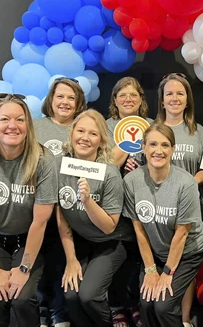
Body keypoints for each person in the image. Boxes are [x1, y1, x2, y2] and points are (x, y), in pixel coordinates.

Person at [0, 94, 58, 327]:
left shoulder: (43, 160)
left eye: (20, 119)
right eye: (5, 119)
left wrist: (24, 268)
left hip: (30, 237)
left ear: (28, 125)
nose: (13, 126)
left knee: (23, 298)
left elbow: (40, 223)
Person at [123, 123, 203, 327]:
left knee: (164, 305)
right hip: (156, 252)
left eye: (165, 145)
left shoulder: (186, 183)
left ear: (173, 149)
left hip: (188, 251)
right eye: (153, 144)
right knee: (145, 303)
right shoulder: (132, 181)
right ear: (143, 147)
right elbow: (139, 229)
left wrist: (167, 273)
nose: (158, 151)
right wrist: (151, 270)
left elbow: (182, 234)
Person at [56, 109, 135, 327]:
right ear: (71, 134)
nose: (85, 138)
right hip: (81, 242)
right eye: (80, 131)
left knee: (88, 295)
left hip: (110, 242)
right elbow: (61, 217)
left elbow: (109, 227)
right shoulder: (59, 166)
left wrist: (88, 201)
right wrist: (71, 260)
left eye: (93, 134)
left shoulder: (109, 173)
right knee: (71, 295)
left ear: (101, 140)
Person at [34, 77, 87, 327]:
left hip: (69, 209)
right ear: (51, 100)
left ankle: (59, 312)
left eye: (71, 98)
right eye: (60, 96)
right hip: (37, 207)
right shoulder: (35, 127)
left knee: (61, 261)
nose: (65, 102)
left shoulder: (83, 128)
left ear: (78, 103)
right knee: (39, 261)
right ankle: (41, 311)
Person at [156, 73, 203, 326]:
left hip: (189, 210)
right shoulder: (151, 129)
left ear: (187, 100)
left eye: (180, 93)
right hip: (156, 211)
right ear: (162, 101)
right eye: (169, 94)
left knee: (185, 264)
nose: (174, 98)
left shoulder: (199, 132)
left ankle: (185, 320)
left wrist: (186, 185)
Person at [106, 77, 152, 327]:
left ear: (141, 99)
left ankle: (134, 303)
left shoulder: (152, 125)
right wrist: (122, 159)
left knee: (138, 254)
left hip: (143, 203)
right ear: (114, 100)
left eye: (133, 95)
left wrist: (142, 167)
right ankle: (116, 306)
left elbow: (160, 157)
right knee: (115, 254)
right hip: (112, 203)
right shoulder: (104, 126)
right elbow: (100, 162)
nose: (128, 100)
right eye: (122, 95)